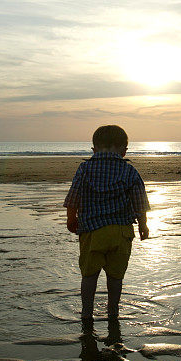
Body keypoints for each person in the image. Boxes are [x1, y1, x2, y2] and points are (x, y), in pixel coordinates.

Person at [64, 125, 150, 320]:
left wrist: (71, 218)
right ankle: (113, 311)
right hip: (120, 232)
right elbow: (140, 201)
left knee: (89, 275)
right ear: (123, 150)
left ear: (94, 149)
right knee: (115, 277)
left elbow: (74, 196)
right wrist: (143, 225)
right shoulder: (129, 171)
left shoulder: (85, 169)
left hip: (92, 233)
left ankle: (86, 313)